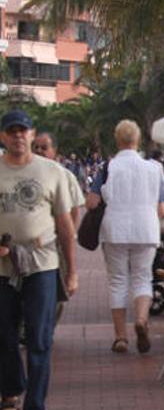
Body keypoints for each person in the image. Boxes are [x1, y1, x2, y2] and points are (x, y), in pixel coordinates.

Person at [0, 109, 78, 410]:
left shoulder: (52, 172)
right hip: (3, 266)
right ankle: (12, 386)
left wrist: (72, 271)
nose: (19, 135)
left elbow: (65, 225)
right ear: (3, 136)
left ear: (32, 135)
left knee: (39, 338)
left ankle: (36, 409)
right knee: (3, 335)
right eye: (12, 131)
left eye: (24, 130)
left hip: (42, 263)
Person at [87, 120, 164, 354]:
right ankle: (141, 320)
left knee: (118, 281)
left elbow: (91, 202)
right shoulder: (155, 168)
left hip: (115, 229)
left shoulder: (108, 167)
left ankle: (120, 337)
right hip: (146, 228)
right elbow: (161, 210)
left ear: (117, 139)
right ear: (138, 140)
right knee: (143, 278)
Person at [33, 132, 85, 322]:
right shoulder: (23, 173)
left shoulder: (64, 176)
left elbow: (74, 211)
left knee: (56, 289)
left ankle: (48, 327)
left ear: (54, 151)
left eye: (44, 147)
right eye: (36, 147)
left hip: (55, 243)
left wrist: (66, 236)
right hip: (30, 245)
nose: (39, 151)